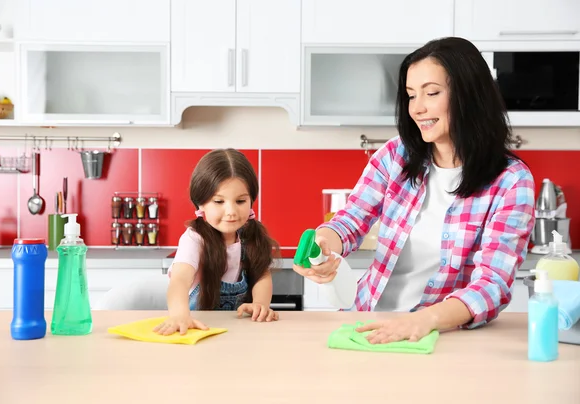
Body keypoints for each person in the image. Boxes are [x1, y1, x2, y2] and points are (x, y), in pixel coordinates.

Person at [293, 37, 535, 344]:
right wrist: (324, 245)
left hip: (439, 336)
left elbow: (492, 285)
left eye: (431, 93)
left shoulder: (511, 181)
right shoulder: (396, 156)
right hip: (367, 323)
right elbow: (350, 220)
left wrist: (422, 321)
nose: (417, 108)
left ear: (469, 95)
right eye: (410, 95)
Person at [155, 149, 280, 336]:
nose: (231, 211)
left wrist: (259, 304)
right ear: (201, 203)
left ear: (251, 200)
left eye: (240, 201)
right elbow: (179, 280)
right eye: (219, 201)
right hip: (198, 331)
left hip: (239, 333)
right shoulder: (195, 239)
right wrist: (180, 316)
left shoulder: (250, 236)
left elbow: (262, 276)